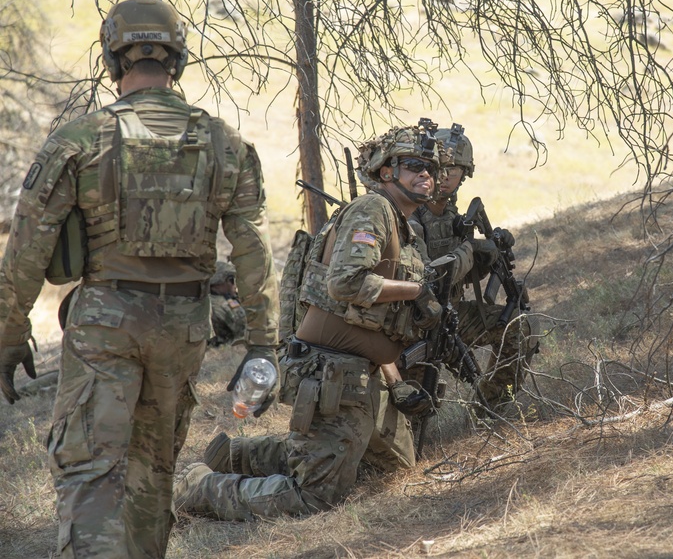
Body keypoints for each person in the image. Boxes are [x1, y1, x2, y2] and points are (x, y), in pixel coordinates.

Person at [0, 0, 280, 558]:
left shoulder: (79, 140)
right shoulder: (225, 141)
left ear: (114, 56)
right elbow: (253, 248)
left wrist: (8, 338)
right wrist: (263, 344)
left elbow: (26, 251)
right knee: (154, 467)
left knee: (90, 468)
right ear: (176, 58)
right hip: (185, 325)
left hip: (105, 320)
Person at [173, 125, 443, 520]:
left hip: (365, 375)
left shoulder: (403, 225)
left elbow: (376, 324)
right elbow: (346, 282)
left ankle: (240, 454)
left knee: (395, 469)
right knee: (313, 499)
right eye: (414, 165)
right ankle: (198, 486)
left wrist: (395, 381)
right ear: (387, 172)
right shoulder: (373, 210)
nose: (426, 174)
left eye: (431, 168)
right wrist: (415, 292)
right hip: (333, 373)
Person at [408, 122, 539, 411]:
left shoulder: (452, 214)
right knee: (413, 407)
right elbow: (429, 277)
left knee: (519, 327)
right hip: (413, 326)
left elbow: (462, 276)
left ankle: (489, 409)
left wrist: (488, 256)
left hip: (450, 317)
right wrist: (473, 249)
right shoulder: (409, 215)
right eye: (437, 169)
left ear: (464, 174)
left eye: (452, 171)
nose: (443, 178)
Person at [208, 259, 248, 346]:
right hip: (223, 351)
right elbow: (244, 329)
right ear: (220, 282)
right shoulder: (223, 305)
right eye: (232, 280)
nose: (234, 285)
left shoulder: (203, 301)